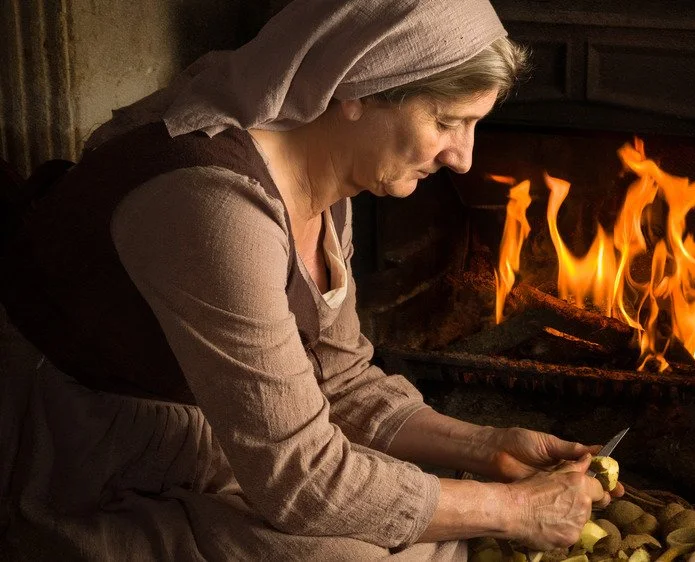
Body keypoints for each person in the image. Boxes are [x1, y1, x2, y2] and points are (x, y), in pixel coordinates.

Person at [0, 0, 624, 560]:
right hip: (105, 457)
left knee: (422, 531)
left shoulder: (327, 178)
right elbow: (301, 478)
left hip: (233, 435)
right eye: (446, 121)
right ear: (355, 88)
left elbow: (341, 377)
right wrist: (515, 510)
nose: (463, 157)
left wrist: (488, 447)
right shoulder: (211, 204)